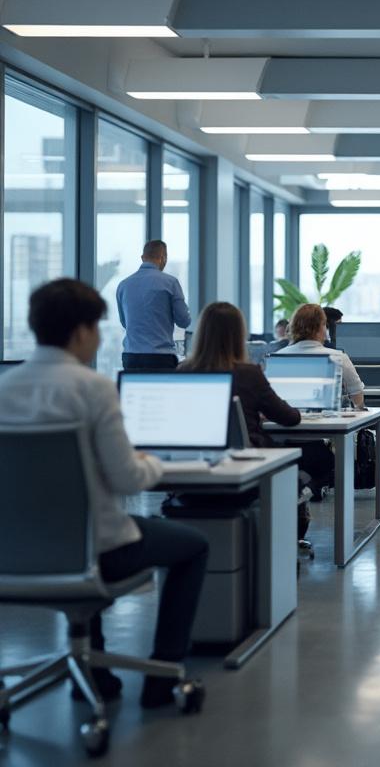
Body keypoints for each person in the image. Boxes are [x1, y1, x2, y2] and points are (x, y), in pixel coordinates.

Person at [0, 279, 208, 708]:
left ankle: (92, 669)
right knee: (193, 546)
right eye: (97, 327)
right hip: (96, 552)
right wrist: (152, 461)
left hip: (14, 553)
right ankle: (162, 675)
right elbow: (129, 478)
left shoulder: (5, 388)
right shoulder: (92, 388)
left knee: (76, 527)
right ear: (80, 332)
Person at [178, 303, 324, 538]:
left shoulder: (182, 372)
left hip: (193, 468)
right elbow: (289, 417)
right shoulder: (248, 373)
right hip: (247, 465)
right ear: (238, 336)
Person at [116, 239, 191, 371]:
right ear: (163, 258)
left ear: (142, 258)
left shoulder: (124, 285)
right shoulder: (170, 283)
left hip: (131, 357)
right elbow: (184, 321)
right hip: (160, 358)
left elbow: (125, 323)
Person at [278, 304, 364, 408]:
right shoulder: (338, 358)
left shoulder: (277, 357)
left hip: (287, 421)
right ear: (321, 327)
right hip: (330, 422)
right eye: (324, 325)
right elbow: (357, 394)